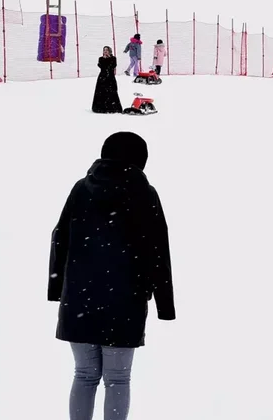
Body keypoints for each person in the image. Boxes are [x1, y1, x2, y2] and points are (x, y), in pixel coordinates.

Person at [49, 131, 176, 420]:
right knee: (117, 379)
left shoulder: (81, 189)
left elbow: (59, 238)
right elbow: (159, 251)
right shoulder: (145, 194)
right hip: (124, 301)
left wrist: (58, 289)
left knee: (84, 375)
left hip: (78, 299)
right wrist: (164, 304)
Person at [92, 46, 122, 114]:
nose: (105, 51)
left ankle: (112, 108)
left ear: (109, 51)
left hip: (110, 78)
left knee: (112, 92)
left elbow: (112, 66)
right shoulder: (100, 59)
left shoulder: (113, 58)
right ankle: (100, 108)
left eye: (107, 50)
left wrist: (109, 59)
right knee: (101, 92)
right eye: (104, 50)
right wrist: (104, 59)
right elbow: (102, 67)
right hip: (102, 78)